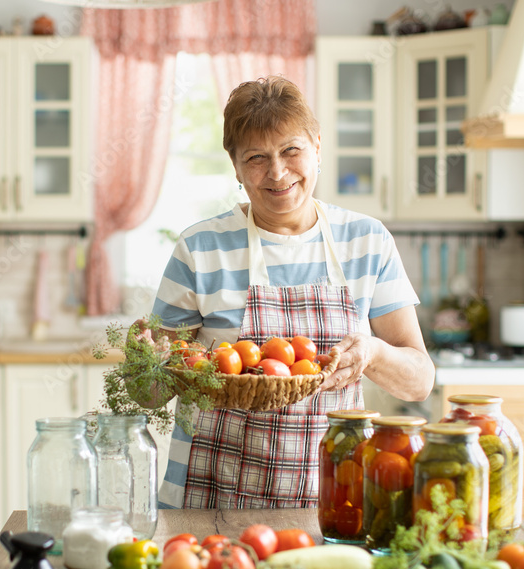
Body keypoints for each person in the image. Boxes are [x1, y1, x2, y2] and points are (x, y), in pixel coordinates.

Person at [142, 75, 434, 509]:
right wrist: (143, 360)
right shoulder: (200, 248)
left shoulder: (368, 242)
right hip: (209, 500)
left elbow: (418, 382)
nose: (277, 173)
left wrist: (372, 353)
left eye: (291, 151)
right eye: (256, 157)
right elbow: (149, 392)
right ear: (236, 167)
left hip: (331, 500)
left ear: (318, 146)